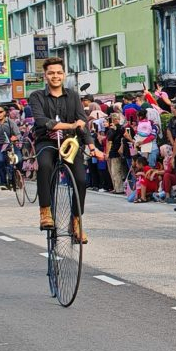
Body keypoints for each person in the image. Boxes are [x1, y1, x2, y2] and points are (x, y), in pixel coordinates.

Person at [28, 57, 105, 241]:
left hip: (70, 142)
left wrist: (92, 146)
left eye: (59, 73)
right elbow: (42, 121)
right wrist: (70, 125)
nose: (55, 76)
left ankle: (76, 222)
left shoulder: (73, 96)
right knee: (45, 166)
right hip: (46, 141)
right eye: (51, 73)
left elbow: (82, 122)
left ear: (64, 75)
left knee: (81, 179)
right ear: (45, 76)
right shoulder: (36, 96)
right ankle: (45, 211)